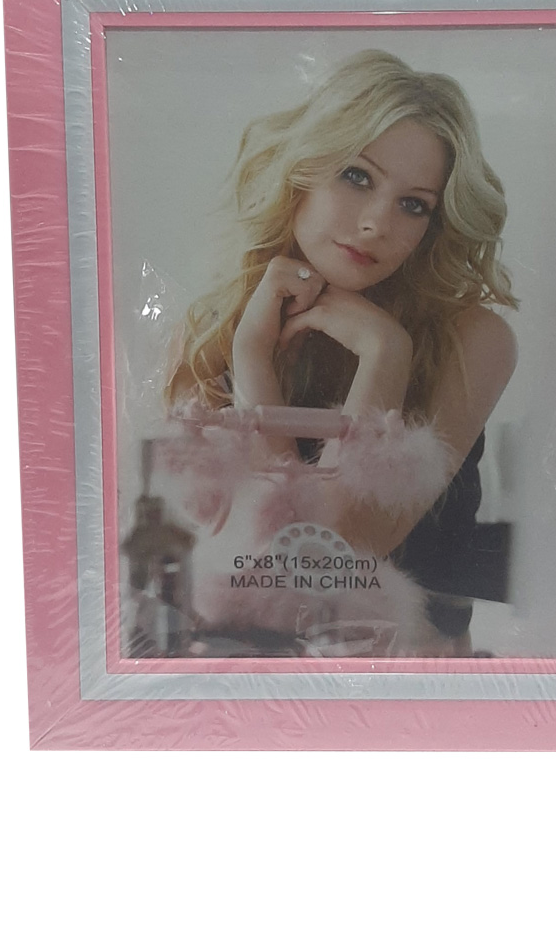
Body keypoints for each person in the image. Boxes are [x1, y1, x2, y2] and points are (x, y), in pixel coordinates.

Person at [165, 49, 517, 639]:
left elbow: (336, 555)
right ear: (301, 172)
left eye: (413, 205)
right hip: (251, 670)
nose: (377, 222)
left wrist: (386, 355)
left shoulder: (473, 341)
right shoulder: (211, 334)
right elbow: (265, 558)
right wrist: (252, 360)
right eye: (357, 176)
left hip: (416, 678)